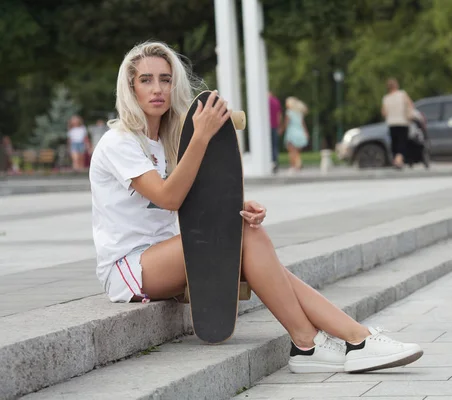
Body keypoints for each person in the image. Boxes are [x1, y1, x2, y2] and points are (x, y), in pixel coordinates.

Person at [89, 41, 423, 374]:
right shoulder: (119, 142)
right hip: (130, 268)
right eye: (146, 80)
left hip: (164, 255)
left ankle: (342, 339)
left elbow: (191, 196)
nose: (157, 88)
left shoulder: (166, 140)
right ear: (130, 87)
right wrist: (202, 137)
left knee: (247, 229)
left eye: (165, 79)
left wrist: (235, 205)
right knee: (241, 237)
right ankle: (324, 340)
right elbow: (168, 197)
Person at [381, 78, 415, 169]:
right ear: (396, 85)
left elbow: (384, 112)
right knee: (402, 142)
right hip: (403, 121)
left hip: (391, 123)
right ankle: (398, 161)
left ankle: (396, 159)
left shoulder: (386, 98)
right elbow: (410, 104)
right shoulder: (402, 94)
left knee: (395, 142)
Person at [280, 96, 309, 173]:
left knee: (291, 151)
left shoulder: (289, 112)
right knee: (297, 152)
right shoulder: (299, 113)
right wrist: (306, 133)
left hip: (292, 133)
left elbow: (286, 123)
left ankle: (293, 166)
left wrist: (281, 130)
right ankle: (298, 164)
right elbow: (303, 124)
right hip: (300, 133)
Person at [269, 92, 282, 173]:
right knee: (274, 145)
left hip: (266, 127)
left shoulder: (265, 101)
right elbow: (279, 115)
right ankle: (275, 162)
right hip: (274, 126)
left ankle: (270, 162)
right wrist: (279, 126)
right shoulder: (276, 101)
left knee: (268, 146)